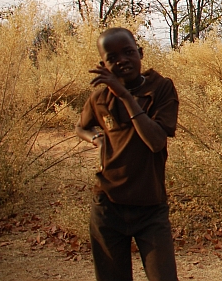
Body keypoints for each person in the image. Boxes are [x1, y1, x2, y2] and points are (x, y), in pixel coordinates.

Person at [76, 27, 179, 281]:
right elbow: (81, 126)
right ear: (103, 64)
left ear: (140, 53)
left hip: (150, 206)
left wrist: (125, 97)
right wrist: (96, 138)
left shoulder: (160, 89)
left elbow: (155, 141)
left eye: (128, 52)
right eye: (112, 58)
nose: (122, 60)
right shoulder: (100, 98)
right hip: (108, 206)